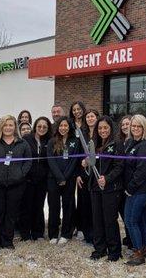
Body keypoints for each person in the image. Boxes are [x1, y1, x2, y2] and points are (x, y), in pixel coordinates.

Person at [0, 115, 32, 252]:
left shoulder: (22, 143)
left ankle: (7, 241)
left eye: (11, 125)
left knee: (11, 214)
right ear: (1, 127)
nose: (8, 128)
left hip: (16, 185)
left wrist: (21, 174)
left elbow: (28, 161)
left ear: (15, 127)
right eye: (5, 125)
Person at [86, 116, 124, 261]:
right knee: (97, 220)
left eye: (105, 128)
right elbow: (92, 165)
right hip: (95, 188)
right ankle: (100, 249)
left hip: (110, 188)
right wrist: (86, 163)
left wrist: (107, 179)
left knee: (109, 220)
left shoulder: (117, 144)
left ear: (111, 128)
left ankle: (114, 251)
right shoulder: (94, 145)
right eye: (100, 128)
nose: (103, 130)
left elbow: (119, 166)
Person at [123, 114, 146, 266]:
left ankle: (138, 253)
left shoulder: (145, 145)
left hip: (139, 190)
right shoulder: (130, 142)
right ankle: (144, 248)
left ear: (144, 128)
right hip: (133, 189)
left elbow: (142, 170)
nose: (135, 128)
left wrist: (130, 188)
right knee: (140, 220)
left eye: (138, 126)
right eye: (133, 126)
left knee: (130, 221)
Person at [47, 116, 80, 245]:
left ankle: (66, 233)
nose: (63, 128)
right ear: (57, 127)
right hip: (53, 179)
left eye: (66, 125)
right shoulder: (52, 141)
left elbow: (74, 161)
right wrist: (59, 177)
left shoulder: (75, 141)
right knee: (54, 207)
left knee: (68, 206)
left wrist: (65, 177)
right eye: (61, 125)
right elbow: (51, 160)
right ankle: (53, 234)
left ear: (69, 127)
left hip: (69, 179)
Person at [19, 117, 51, 241]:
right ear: (35, 127)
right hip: (27, 179)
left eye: (44, 127)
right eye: (39, 126)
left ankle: (38, 233)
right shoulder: (26, 139)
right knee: (26, 206)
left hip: (42, 180)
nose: (41, 129)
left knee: (39, 206)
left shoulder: (49, 141)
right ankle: (25, 233)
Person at [74, 109, 99, 243]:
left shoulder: (100, 133)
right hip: (83, 173)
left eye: (92, 116)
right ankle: (86, 232)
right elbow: (77, 154)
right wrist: (78, 173)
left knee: (94, 204)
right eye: (88, 117)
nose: (90, 119)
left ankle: (96, 233)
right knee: (84, 203)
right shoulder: (82, 134)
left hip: (96, 174)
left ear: (97, 118)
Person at [116, 114, 132, 249]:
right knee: (124, 212)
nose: (125, 126)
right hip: (120, 183)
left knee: (130, 214)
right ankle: (128, 236)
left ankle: (133, 239)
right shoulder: (120, 142)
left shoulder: (136, 141)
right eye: (123, 125)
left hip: (132, 184)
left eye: (128, 124)